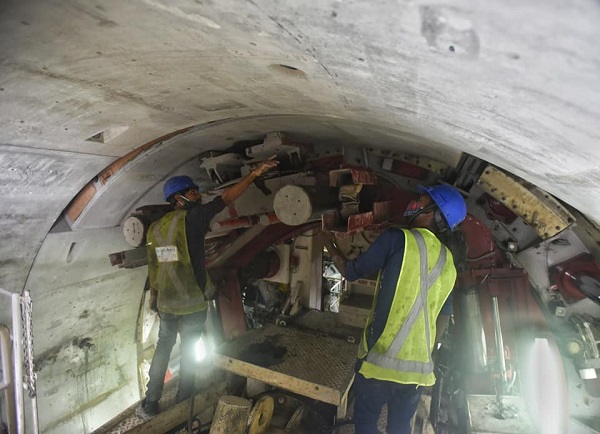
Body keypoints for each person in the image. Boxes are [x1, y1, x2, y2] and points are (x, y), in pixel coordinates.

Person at [322, 184, 467, 434]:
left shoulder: (397, 239)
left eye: (422, 200)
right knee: (400, 428)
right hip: (418, 372)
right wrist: (423, 351)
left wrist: (329, 244)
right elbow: (443, 317)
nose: (415, 202)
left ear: (433, 212)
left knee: (366, 425)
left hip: (379, 363)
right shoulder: (449, 262)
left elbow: (351, 271)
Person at [140, 160, 278, 418]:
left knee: (163, 348)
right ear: (179, 199)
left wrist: (154, 297)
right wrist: (253, 175)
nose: (198, 195)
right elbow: (226, 199)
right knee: (190, 352)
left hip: (167, 305)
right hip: (191, 303)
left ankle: (150, 403)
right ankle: (183, 403)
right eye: (193, 192)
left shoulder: (156, 228)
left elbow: (154, 266)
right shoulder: (192, 218)